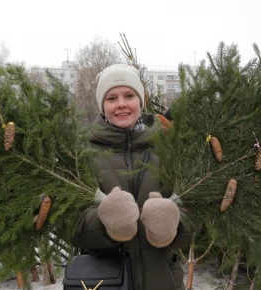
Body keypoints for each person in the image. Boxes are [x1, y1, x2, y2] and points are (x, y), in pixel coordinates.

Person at [72, 64, 193, 290]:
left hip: (163, 282)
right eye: (111, 98)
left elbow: (195, 217)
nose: (121, 104)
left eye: (129, 95)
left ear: (140, 100)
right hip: (105, 283)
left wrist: (173, 226)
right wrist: (105, 224)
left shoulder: (168, 149)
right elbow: (70, 225)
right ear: (102, 105)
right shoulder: (83, 153)